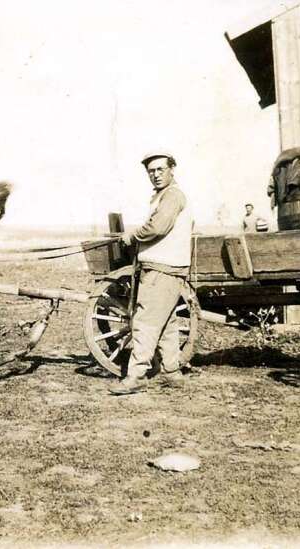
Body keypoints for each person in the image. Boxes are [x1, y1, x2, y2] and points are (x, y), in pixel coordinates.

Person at [111, 151, 194, 395]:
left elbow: (158, 227)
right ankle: (171, 371)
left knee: (145, 322)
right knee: (166, 322)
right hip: (168, 268)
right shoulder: (164, 196)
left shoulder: (172, 196)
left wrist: (133, 236)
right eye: (151, 171)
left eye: (160, 169)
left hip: (161, 268)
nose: (155, 175)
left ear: (172, 169)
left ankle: (136, 376)